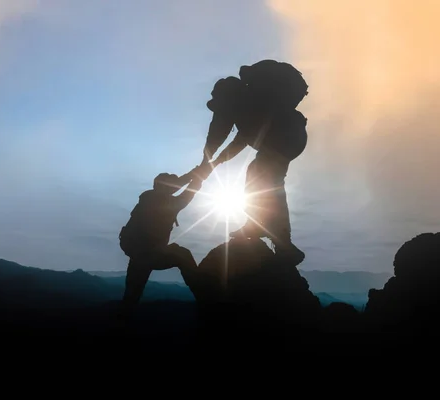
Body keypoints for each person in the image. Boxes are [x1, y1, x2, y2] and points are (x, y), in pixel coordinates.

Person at [197, 60, 309, 265]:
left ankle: (284, 243)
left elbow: (221, 134)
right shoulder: (249, 105)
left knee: (265, 180)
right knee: (259, 176)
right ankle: (263, 228)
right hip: (289, 138)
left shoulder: (245, 106)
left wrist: (208, 160)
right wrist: (213, 161)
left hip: (284, 138)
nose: (220, 114)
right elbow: (241, 140)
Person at [118, 167, 210, 313]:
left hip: (137, 253)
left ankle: (122, 320)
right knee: (183, 255)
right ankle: (203, 294)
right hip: (150, 253)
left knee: (132, 294)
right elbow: (187, 192)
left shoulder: (149, 198)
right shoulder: (167, 203)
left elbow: (181, 182)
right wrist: (199, 178)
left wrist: (200, 170)